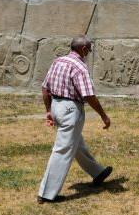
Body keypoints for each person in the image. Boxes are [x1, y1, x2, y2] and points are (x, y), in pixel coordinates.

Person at [37, 35, 113, 204]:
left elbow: (44, 88)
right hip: (71, 110)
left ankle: (97, 172)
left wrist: (49, 110)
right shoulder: (79, 67)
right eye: (89, 50)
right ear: (83, 49)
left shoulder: (58, 61)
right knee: (62, 150)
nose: (89, 53)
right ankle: (46, 193)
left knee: (76, 142)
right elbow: (89, 95)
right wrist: (103, 115)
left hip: (56, 106)